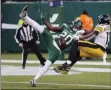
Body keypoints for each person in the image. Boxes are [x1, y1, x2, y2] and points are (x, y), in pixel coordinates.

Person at [19, 5, 86, 87]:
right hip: (55, 47)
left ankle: (25, 17)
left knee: (41, 30)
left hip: (54, 45)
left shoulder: (69, 29)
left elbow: (51, 28)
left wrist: (44, 20)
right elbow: (52, 28)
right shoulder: (74, 33)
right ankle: (34, 79)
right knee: (47, 64)